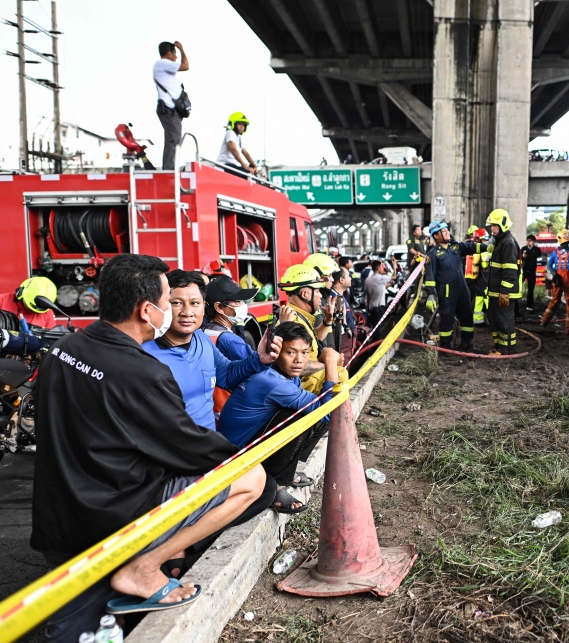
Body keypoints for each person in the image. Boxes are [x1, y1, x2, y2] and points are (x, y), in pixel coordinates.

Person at [32, 253, 266, 635]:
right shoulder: (145, 373)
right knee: (251, 479)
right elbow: (192, 450)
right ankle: (142, 568)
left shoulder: (64, 350)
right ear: (146, 311)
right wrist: (245, 456)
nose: (174, 312)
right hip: (111, 516)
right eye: (167, 302)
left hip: (55, 515)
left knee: (73, 623)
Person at [219, 322, 341, 514]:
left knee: (308, 413)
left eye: (305, 352)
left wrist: (325, 362)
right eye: (290, 352)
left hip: (248, 442)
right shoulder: (271, 381)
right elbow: (328, 412)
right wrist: (331, 363)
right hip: (235, 456)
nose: (299, 360)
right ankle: (273, 485)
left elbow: (306, 369)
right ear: (275, 352)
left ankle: (286, 472)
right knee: (302, 415)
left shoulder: (279, 371)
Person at [142, 270, 281, 431]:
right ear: (162, 306)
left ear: (203, 306)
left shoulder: (201, 339)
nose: (187, 312)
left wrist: (259, 359)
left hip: (210, 448)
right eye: (176, 303)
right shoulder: (144, 355)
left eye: (194, 303)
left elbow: (227, 374)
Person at [423, 221, 482, 352]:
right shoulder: (433, 254)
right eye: (444, 232)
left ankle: (467, 344)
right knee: (447, 318)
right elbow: (430, 276)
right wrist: (431, 294)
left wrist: (487, 247)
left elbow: (470, 247)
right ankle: (446, 348)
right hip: (447, 291)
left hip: (462, 289)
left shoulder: (455, 247)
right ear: (436, 236)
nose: (447, 233)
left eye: (447, 231)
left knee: (467, 316)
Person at [278, 264, 333, 393]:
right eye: (318, 291)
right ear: (305, 294)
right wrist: (329, 363)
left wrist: (327, 321)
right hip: (307, 394)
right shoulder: (292, 320)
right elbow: (291, 365)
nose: (320, 296)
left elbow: (312, 340)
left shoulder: (300, 317)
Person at [483, 209, 521, 355]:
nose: (492, 228)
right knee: (494, 320)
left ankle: (507, 349)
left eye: (495, 225)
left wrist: (504, 292)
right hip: (494, 292)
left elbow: (510, 272)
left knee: (504, 321)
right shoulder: (500, 242)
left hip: (503, 293)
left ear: (503, 225)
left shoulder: (508, 243)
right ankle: (499, 347)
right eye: (491, 225)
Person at [153, 41, 189, 171]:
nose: (176, 56)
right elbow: (185, 66)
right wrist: (182, 49)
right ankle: (168, 170)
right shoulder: (162, 63)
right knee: (173, 140)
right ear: (169, 54)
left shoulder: (165, 67)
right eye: (175, 53)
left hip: (172, 109)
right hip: (168, 108)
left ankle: (171, 168)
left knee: (175, 139)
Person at [541, 229, 569, 334]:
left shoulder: (555, 253)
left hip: (558, 279)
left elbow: (549, 266)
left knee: (554, 301)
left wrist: (555, 275)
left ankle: (544, 322)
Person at [217, 112, 257, 177]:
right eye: (239, 124)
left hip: (232, 165)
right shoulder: (230, 133)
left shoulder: (238, 138)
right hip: (224, 164)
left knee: (253, 176)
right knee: (247, 175)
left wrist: (254, 166)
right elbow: (234, 150)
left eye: (243, 125)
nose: (242, 127)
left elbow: (245, 153)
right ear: (233, 124)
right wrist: (245, 167)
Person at [330, 267, 356, 360]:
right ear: (341, 280)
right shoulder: (334, 297)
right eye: (348, 276)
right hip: (342, 340)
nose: (351, 278)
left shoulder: (338, 295)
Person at [365, 258, 394, 337]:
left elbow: (368, 294)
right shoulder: (380, 278)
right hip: (379, 307)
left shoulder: (368, 279)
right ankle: (376, 346)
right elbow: (394, 276)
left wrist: (368, 306)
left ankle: (373, 343)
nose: (382, 268)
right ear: (378, 268)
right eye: (381, 267)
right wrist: (394, 265)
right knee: (377, 328)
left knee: (374, 326)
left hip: (371, 306)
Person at [519, 234, 542, 315]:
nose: (528, 242)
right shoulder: (523, 248)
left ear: (533, 241)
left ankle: (529, 304)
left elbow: (538, 255)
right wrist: (523, 256)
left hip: (532, 271)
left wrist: (532, 248)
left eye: (530, 241)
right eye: (527, 240)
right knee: (519, 286)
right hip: (524, 271)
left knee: (531, 288)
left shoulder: (536, 249)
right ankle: (517, 303)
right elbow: (519, 257)